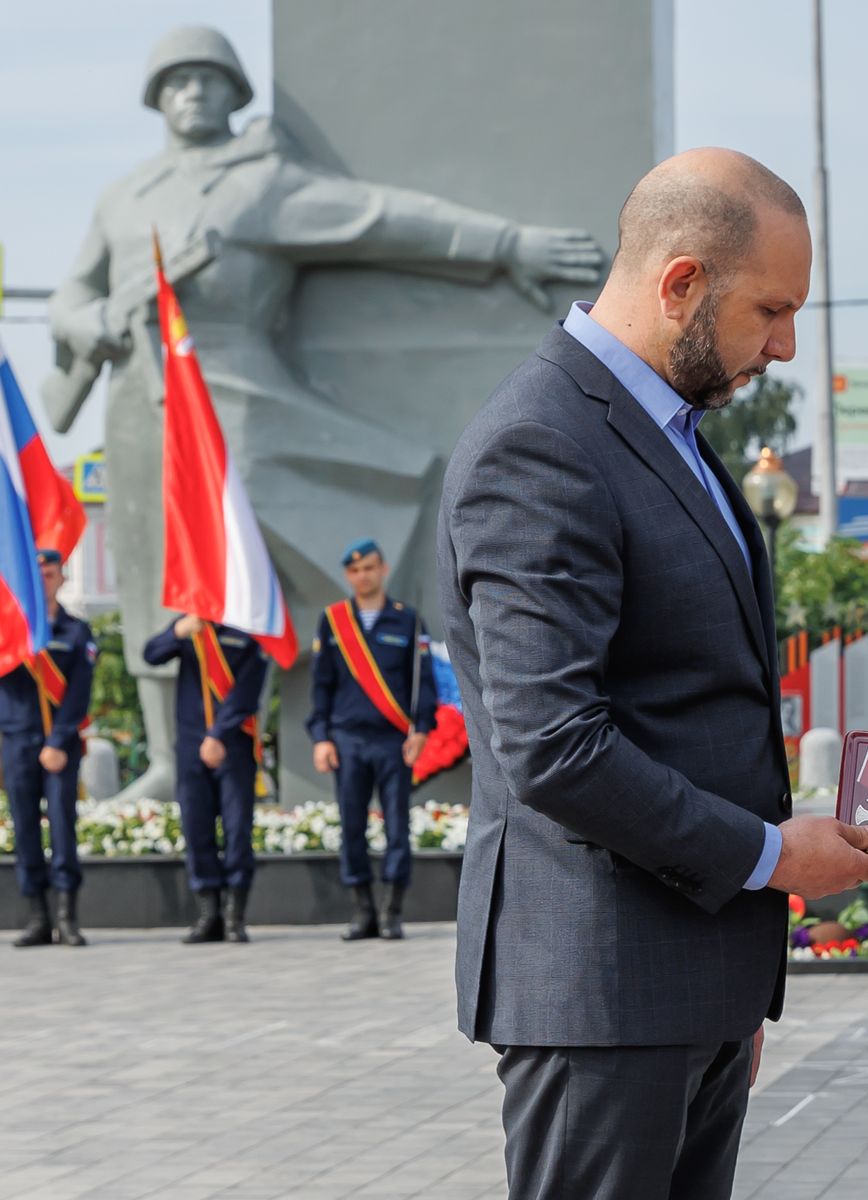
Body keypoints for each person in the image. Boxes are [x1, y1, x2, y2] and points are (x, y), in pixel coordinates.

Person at [438, 148, 868, 1200]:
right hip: (603, 998)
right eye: (770, 311)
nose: (784, 346)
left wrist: (726, 996)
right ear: (680, 281)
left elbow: (690, 701)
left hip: (685, 990)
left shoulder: (667, 432)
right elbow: (554, 746)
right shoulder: (542, 442)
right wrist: (770, 855)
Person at [44, 24, 601, 810]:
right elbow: (73, 291)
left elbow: (379, 218)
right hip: (142, 401)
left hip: (237, 393)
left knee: (317, 522)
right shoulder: (123, 196)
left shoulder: (257, 181)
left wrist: (508, 243)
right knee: (152, 581)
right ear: (155, 97)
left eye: (208, 78)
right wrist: (83, 320)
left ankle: (380, 690)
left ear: (236, 91)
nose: (191, 93)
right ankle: (173, 760)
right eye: (174, 81)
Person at [308, 538, 437, 942]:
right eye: (355, 570)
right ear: (348, 575)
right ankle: (362, 911)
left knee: (397, 826)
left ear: (383, 570)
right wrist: (320, 738)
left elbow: (424, 683)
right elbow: (321, 687)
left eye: (369, 568)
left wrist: (421, 729)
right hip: (347, 740)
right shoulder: (332, 621)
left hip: (393, 742)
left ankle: (391, 912)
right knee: (351, 827)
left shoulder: (408, 621)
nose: (362, 576)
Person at [142, 614, 268, 944]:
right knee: (196, 829)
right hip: (190, 746)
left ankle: (234, 915)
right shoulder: (189, 627)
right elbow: (151, 654)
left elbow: (248, 692)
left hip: (233, 746)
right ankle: (209, 912)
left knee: (237, 830)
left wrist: (219, 735)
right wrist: (177, 631)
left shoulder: (246, 629)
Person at [4, 550, 97, 948]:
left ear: (62, 578)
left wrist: (58, 740)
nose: (42, 579)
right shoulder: (9, 632)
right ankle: (38, 917)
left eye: (50, 573)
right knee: (25, 829)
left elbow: (79, 694)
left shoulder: (77, 632)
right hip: (15, 740)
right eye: (35, 573)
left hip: (59, 744)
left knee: (62, 827)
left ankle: (67, 917)